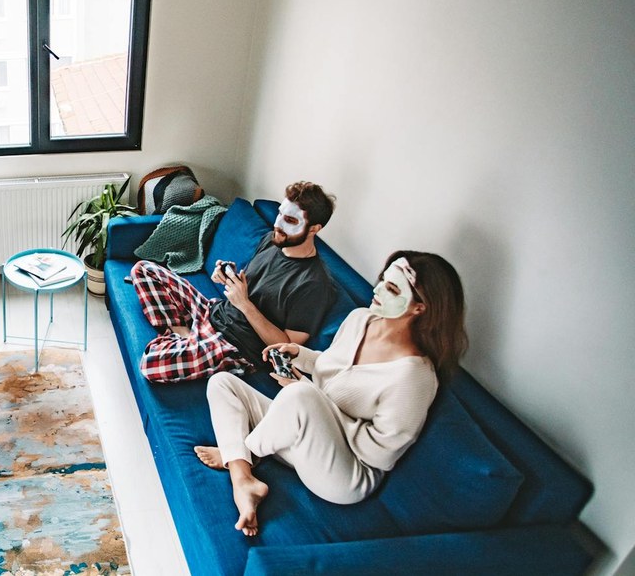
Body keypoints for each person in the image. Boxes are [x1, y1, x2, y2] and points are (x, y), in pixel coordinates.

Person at [194, 250, 468, 537]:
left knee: (300, 396)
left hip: (344, 474)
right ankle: (244, 479)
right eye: (382, 279)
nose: (376, 290)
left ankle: (240, 453)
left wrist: (313, 399)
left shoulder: (414, 377)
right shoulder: (361, 319)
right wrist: (299, 355)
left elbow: (380, 455)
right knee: (223, 382)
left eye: (391, 287)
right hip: (302, 435)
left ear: (419, 308)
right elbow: (328, 367)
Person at [131, 181, 337, 383]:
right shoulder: (271, 240)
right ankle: (184, 334)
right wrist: (227, 276)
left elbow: (287, 346)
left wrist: (245, 305)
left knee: (151, 364)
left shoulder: (314, 284)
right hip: (214, 311)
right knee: (143, 270)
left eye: (290, 221)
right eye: (280, 213)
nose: (278, 224)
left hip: (236, 345)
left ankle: (189, 339)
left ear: (314, 229)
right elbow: (254, 285)